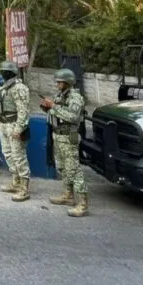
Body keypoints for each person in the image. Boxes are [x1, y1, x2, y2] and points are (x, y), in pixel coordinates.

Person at [40, 68, 89, 217]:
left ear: (68, 82)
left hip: (68, 137)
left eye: (60, 82)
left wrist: (53, 107)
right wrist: (47, 108)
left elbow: (72, 117)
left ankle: (83, 203)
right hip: (58, 135)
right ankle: (68, 195)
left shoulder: (75, 97)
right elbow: (57, 113)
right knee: (62, 167)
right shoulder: (60, 96)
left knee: (74, 169)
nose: (57, 85)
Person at [0, 61, 30, 201]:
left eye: (6, 71)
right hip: (3, 123)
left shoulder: (19, 88)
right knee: (7, 153)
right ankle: (16, 182)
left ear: (13, 73)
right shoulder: (2, 87)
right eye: (2, 71)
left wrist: (19, 128)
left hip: (14, 124)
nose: (4, 73)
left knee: (18, 156)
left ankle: (24, 188)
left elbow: (23, 111)